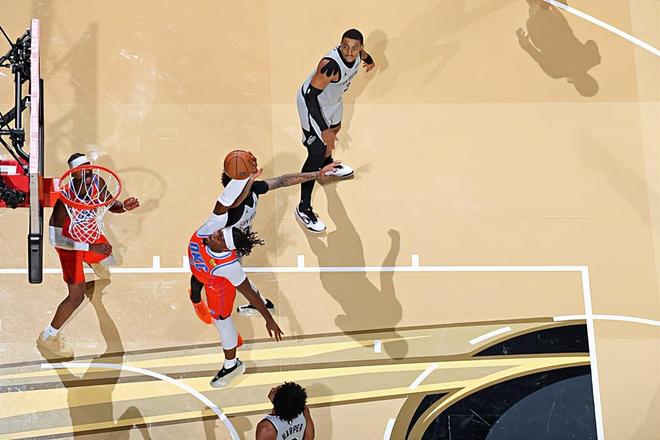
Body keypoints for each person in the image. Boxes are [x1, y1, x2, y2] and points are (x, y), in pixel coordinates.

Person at [199, 150, 338, 315]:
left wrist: (317, 174)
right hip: (224, 247)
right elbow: (236, 200)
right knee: (228, 279)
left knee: (233, 280)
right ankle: (202, 299)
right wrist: (249, 180)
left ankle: (259, 304)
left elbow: (282, 180)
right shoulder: (231, 206)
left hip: (235, 245)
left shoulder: (253, 189)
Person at [37, 153, 139, 359]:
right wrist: (90, 247)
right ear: (73, 175)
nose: (88, 172)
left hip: (87, 234)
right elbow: (56, 239)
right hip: (68, 245)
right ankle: (48, 337)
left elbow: (111, 205)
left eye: (89, 167)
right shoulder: (64, 201)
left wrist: (124, 207)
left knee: (107, 252)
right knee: (77, 296)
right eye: (82, 170)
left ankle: (92, 259)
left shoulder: (98, 183)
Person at [295, 28, 376, 232]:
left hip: (332, 101)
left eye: (354, 48)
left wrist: (370, 60)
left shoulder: (358, 54)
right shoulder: (330, 66)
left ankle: (327, 164)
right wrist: (324, 130)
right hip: (312, 105)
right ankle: (303, 208)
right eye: (345, 47)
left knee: (336, 128)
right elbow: (310, 97)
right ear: (340, 44)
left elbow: (363, 55)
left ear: (360, 47)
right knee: (315, 152)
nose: (349, 52)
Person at [188, 226, 284, 387]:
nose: (215, 234)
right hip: (213, 277)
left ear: (225, 248)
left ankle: (231, 365)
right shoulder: (212, 234)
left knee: (221, 321)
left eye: (220, 238)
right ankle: (263, 304)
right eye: (220, 232)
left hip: (220, 291)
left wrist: (269, 320)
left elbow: (249, 293)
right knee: (242, 283)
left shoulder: (228, 267)